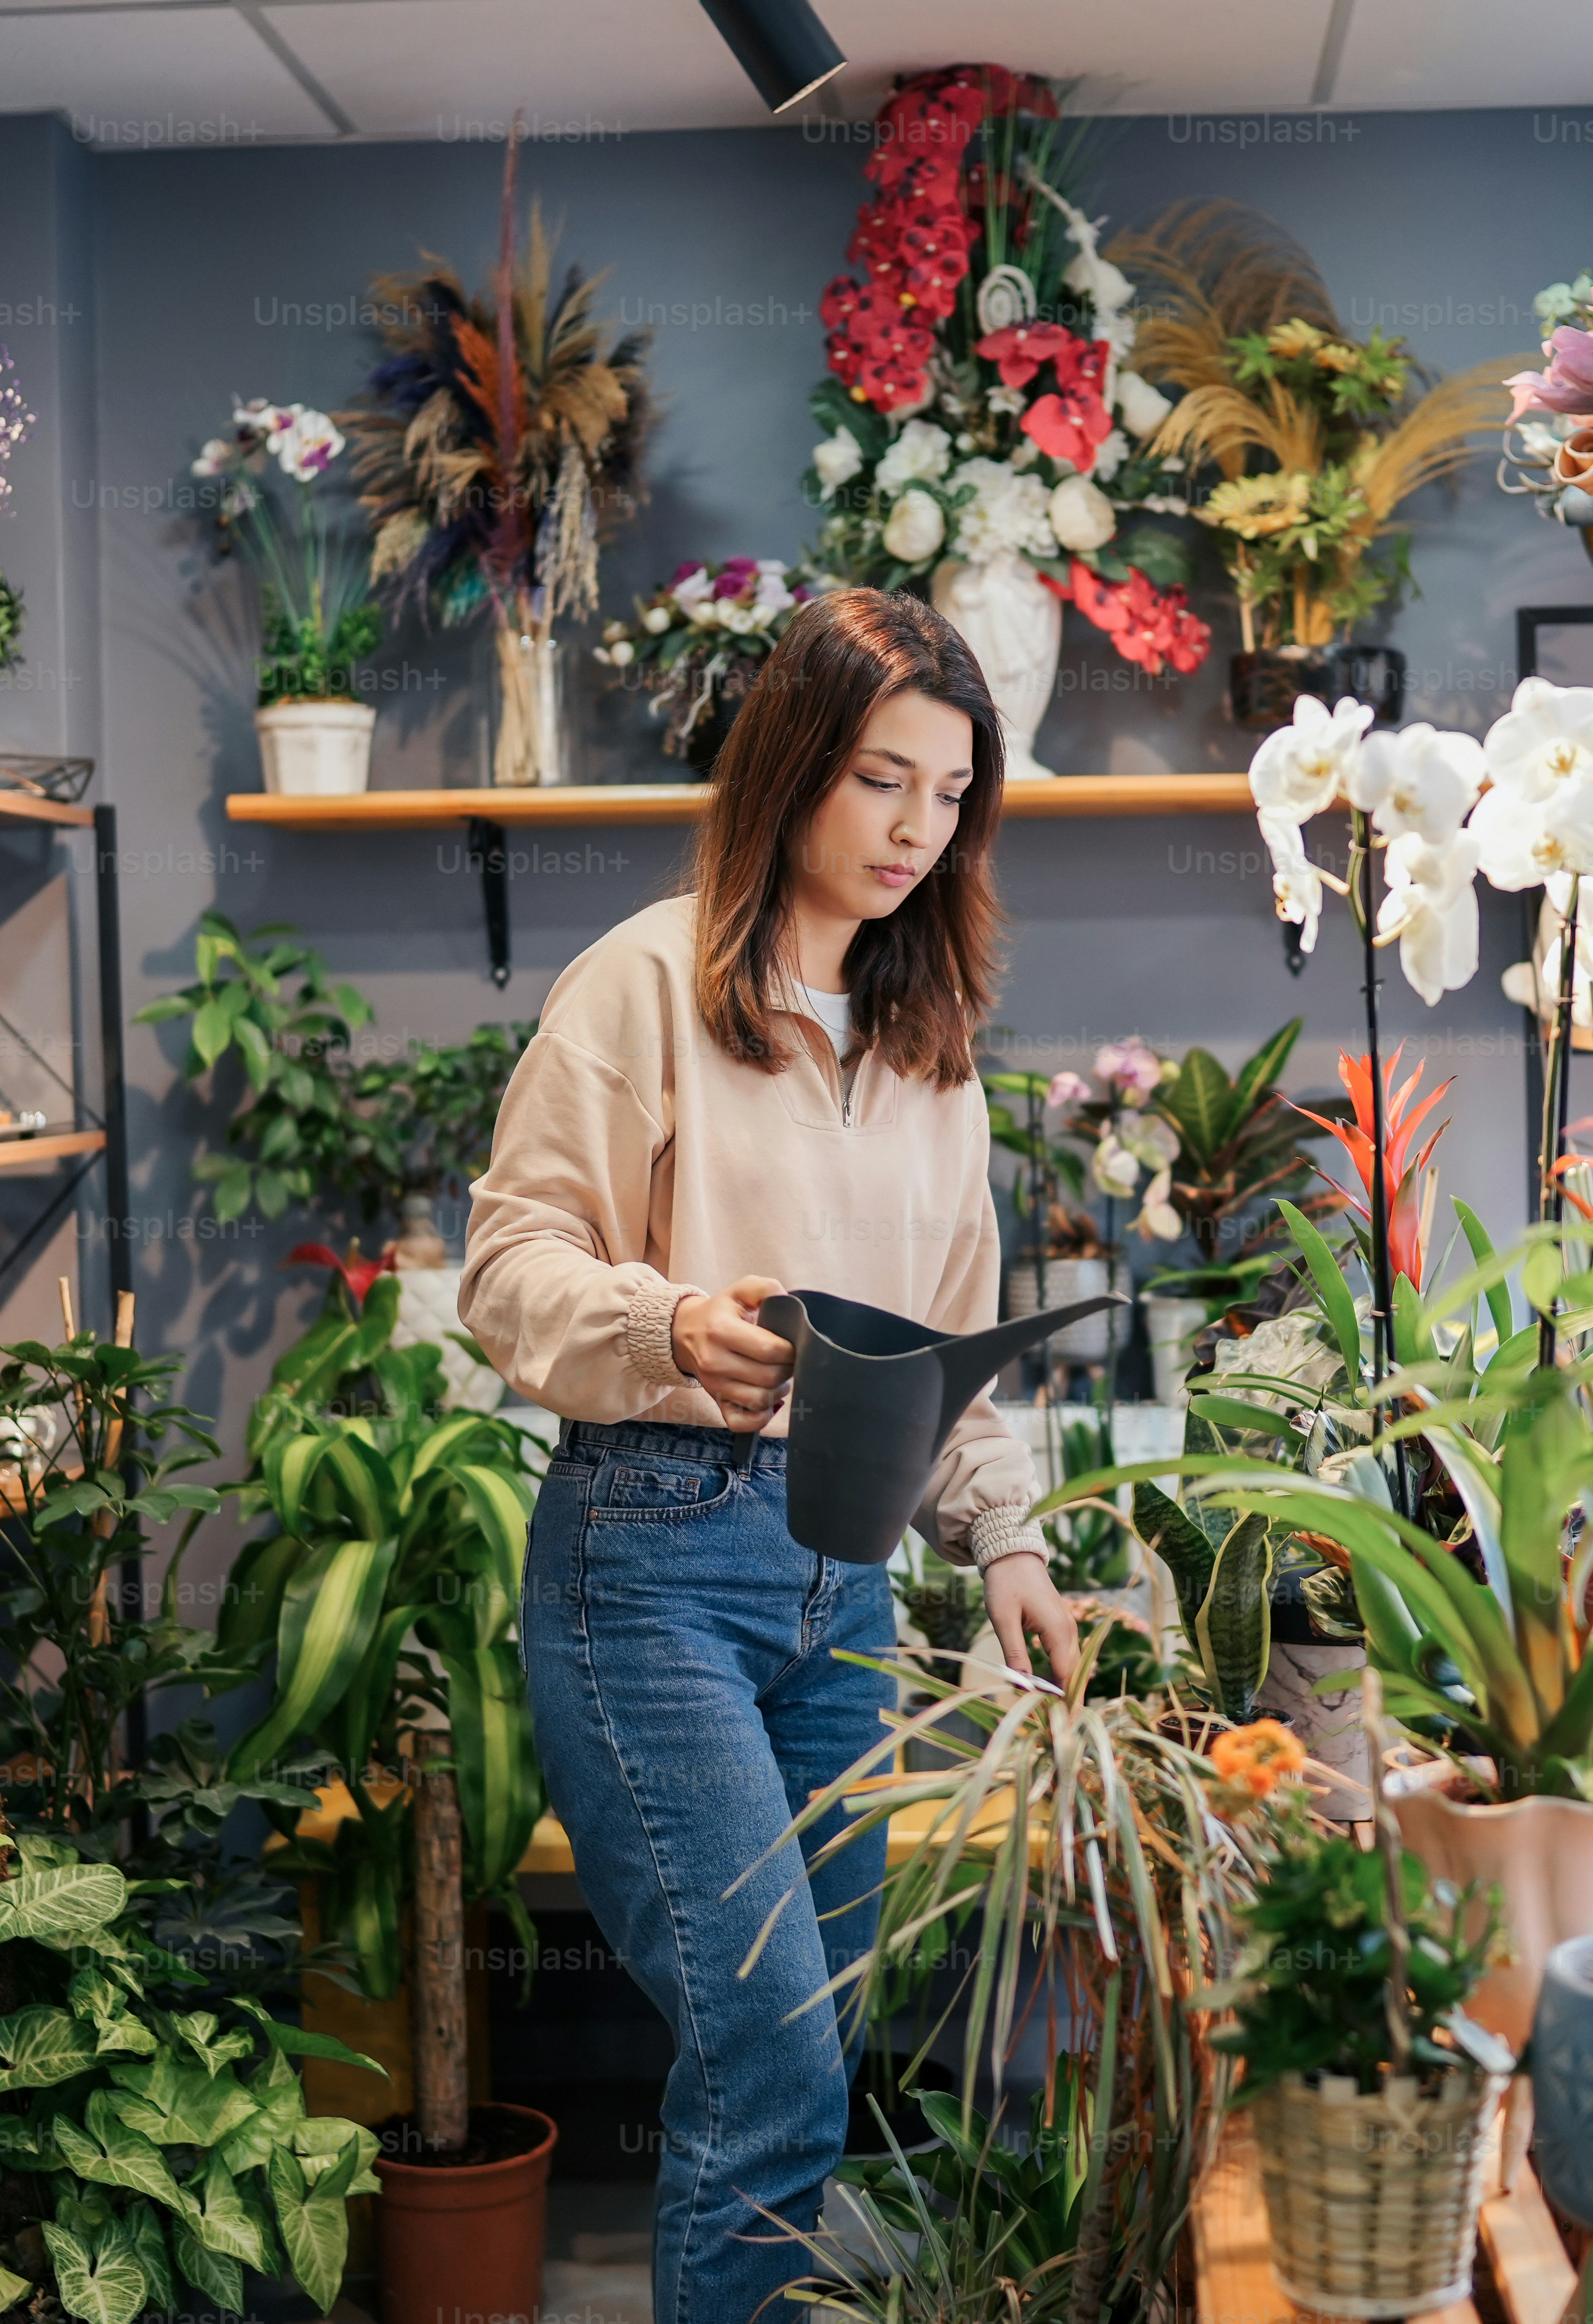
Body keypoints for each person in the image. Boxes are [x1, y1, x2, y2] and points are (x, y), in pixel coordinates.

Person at [461, 587, 1079, 2321]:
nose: (914, 829)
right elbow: (507, 1274)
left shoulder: (927, 1040)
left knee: (823, 2046)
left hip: (853, 1577)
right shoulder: (643, 983)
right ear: (795, 764)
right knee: (772, 2068)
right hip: (651, 1572)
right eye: (883, 779)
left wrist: (1010, 1548)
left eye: (951, 796)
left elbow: (952, 1344)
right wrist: (670, 1330)